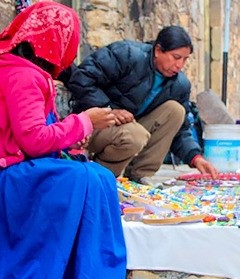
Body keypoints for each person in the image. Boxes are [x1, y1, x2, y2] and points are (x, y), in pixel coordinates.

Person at [0, 2, 127, 279]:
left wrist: (71, 137)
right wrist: (85, 121)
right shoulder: (24, 76)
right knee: (88, 180)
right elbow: (33, 140)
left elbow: (28, 132)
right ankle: (84, 273)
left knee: (96, 177)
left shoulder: (19, 71)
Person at [64, 26, 218, 185]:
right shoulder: (126, 54)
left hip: (129, 127)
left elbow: (181, 129)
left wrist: (195, 157)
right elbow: (82, 77)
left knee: (176, 111)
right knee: (135, 135)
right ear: (158, 50)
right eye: (176, 57)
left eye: (185, 59)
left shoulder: (179, 84)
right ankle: (102, 178)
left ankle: (137, 177)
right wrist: (109, 109)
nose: (180, 65)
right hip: (93, 126)